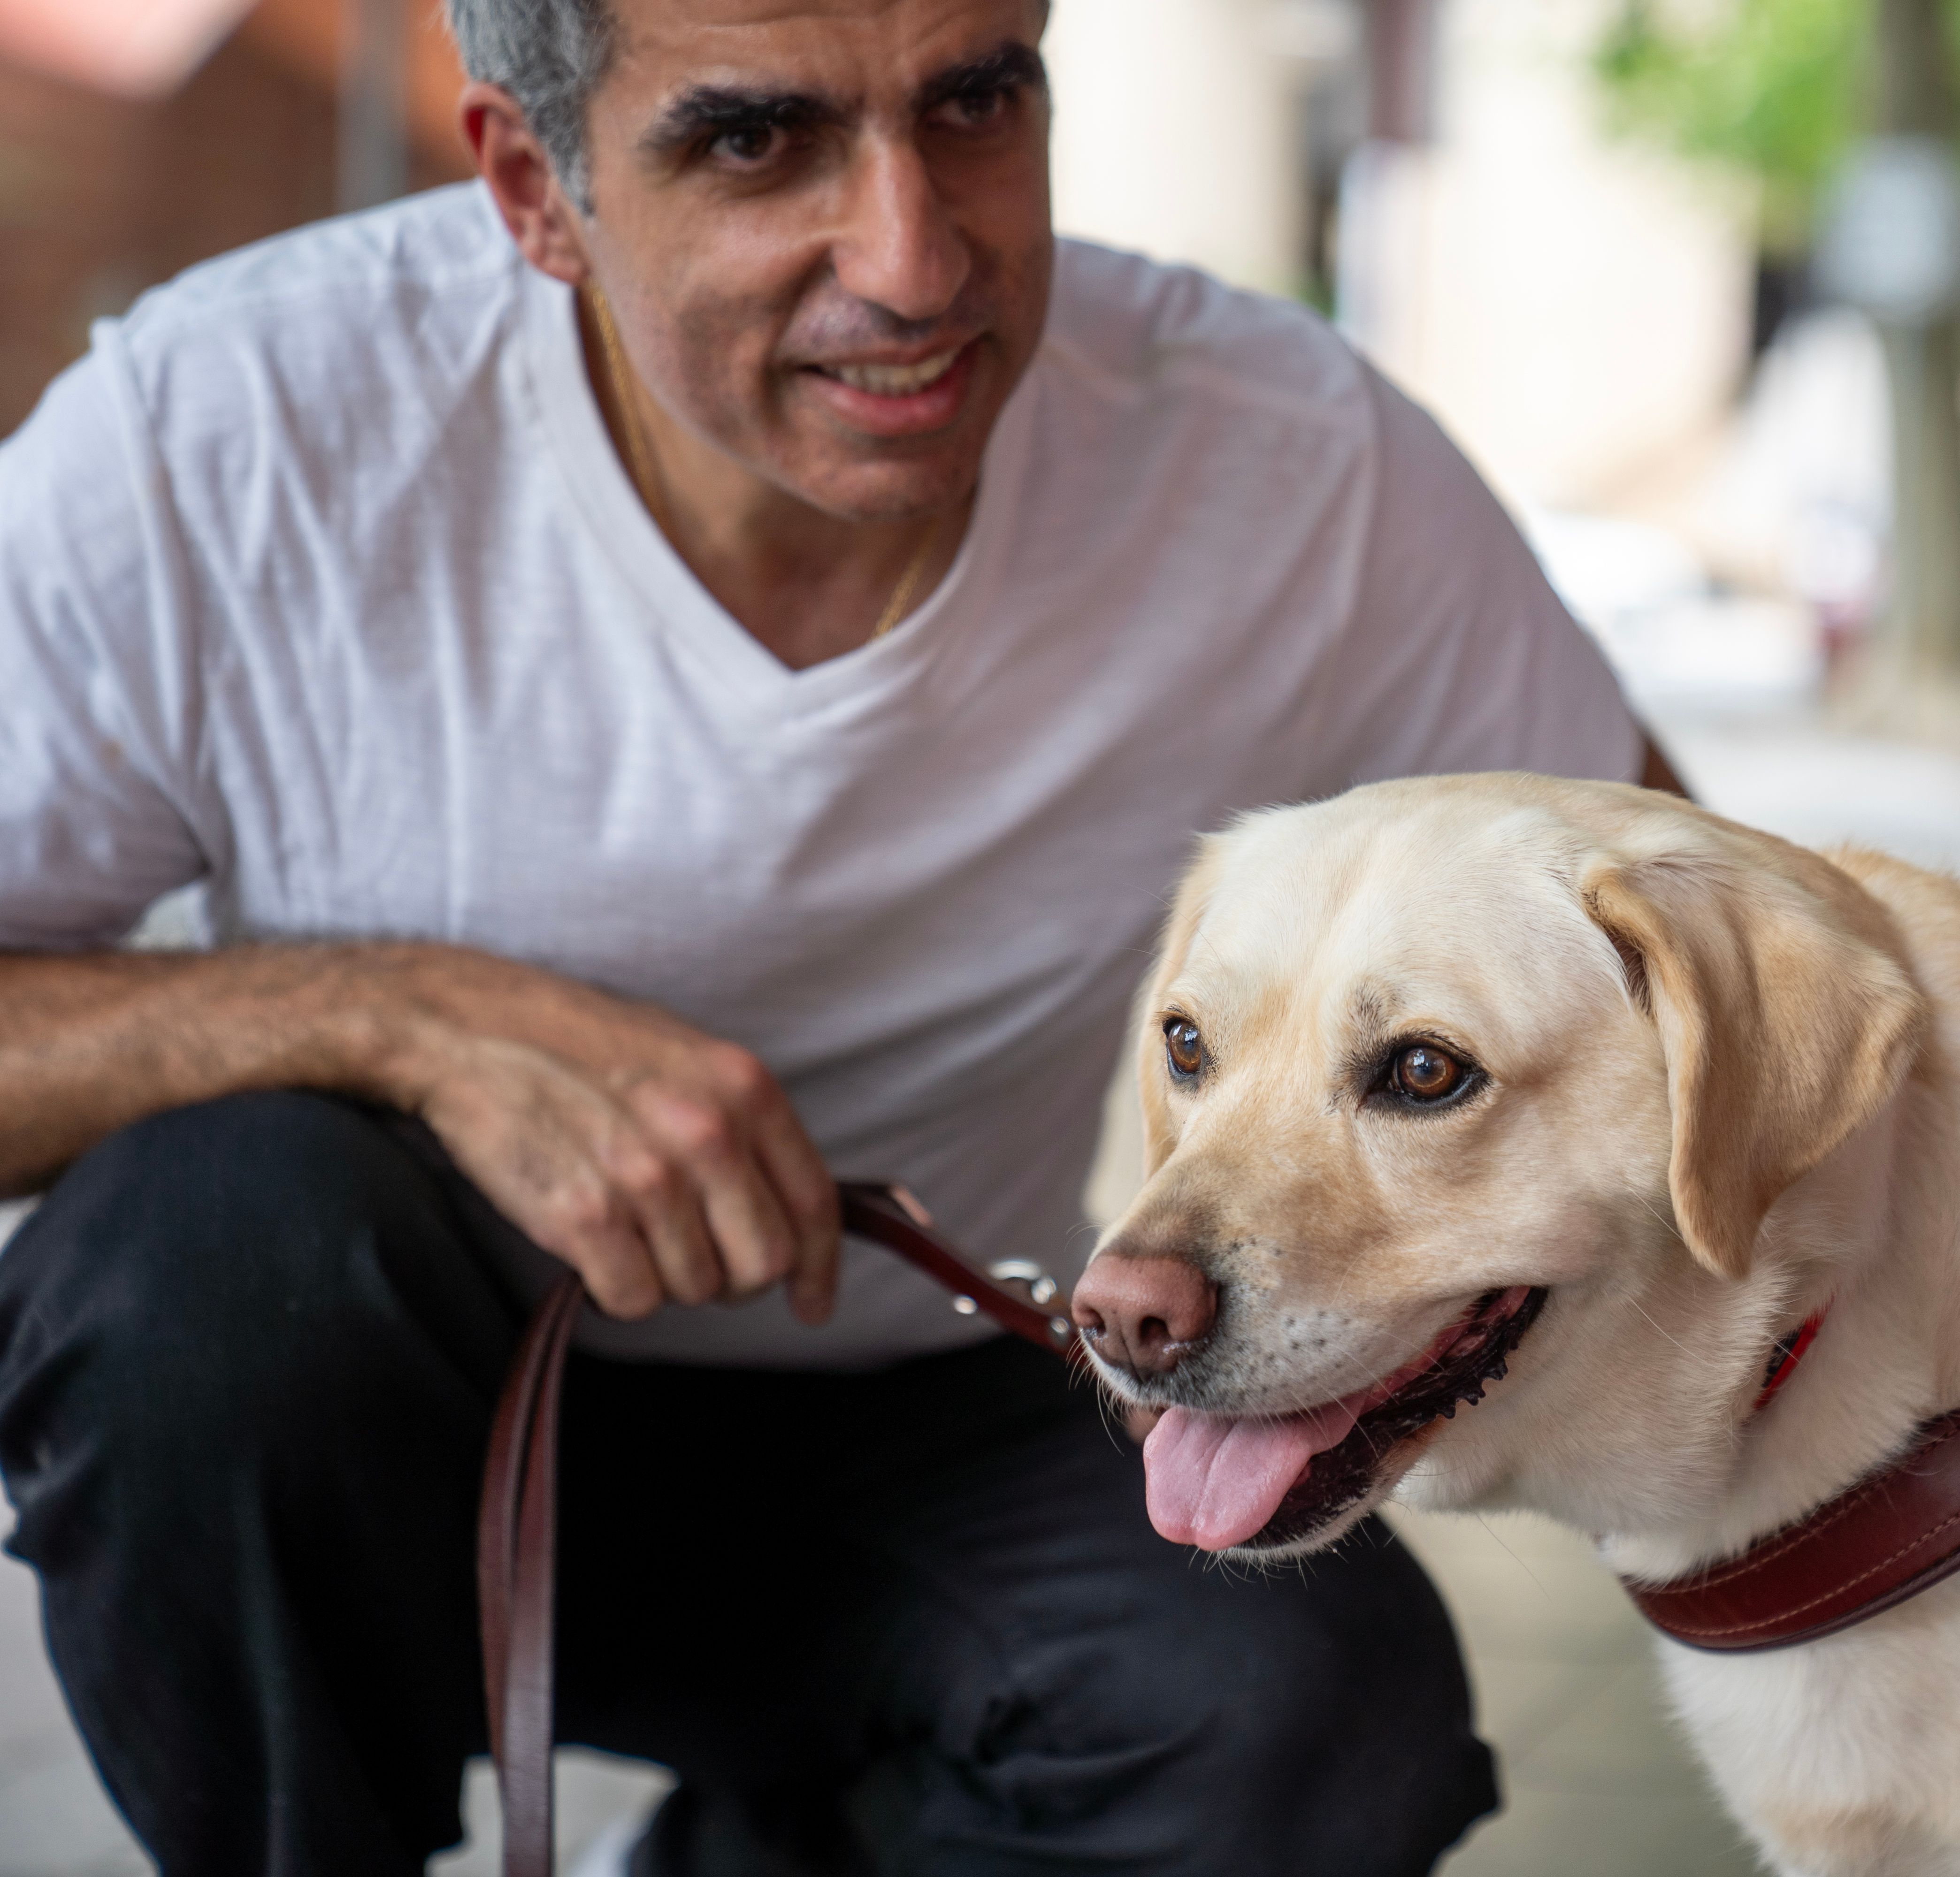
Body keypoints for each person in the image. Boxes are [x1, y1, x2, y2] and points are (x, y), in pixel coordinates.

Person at [0, 1, 1667, 1870]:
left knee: (1302, 1712)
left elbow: (1692, 958)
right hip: (360, 1443)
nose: (915, 256)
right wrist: (404, 1019)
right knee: (200, 1263)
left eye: (974, 102)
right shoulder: (221, 433)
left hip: (931, 1410)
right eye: (753, 143)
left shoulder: (1291, 467)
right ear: (537, 187)